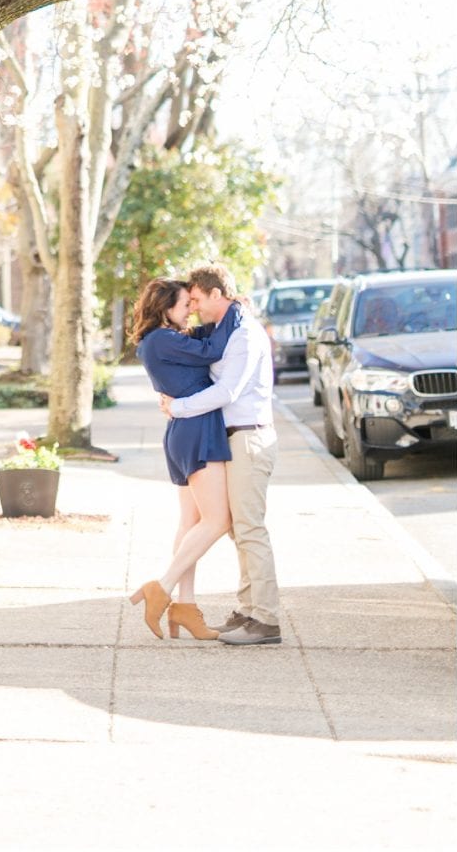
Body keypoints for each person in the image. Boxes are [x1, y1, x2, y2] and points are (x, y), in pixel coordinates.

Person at [159, 263, 281, 647]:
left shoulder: (244, 334)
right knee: (235, 529)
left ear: (216, 294)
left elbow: (227, 391)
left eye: (195, 299)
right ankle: (247, 610)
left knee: (249, 529)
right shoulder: (222, 332)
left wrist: (177, 407)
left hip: (249, 437)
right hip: (227, 439)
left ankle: (266, 620)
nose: (192, 307)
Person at [129, 276, 243, 640]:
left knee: (190, 521)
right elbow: (214, 350)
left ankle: (186, 606)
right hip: (196, 430)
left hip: (184, 430)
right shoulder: (163, 340)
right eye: (184, 305)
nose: (191, 310)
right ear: (165, 310)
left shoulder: (160, 340)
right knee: (217, 520)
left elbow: (201, 340)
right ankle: (161, 588)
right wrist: (234, 308)